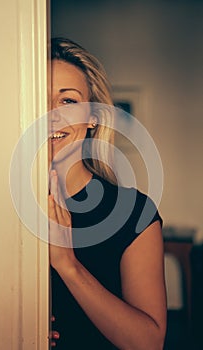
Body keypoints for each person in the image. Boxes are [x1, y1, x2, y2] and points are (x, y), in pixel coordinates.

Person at [48, 37, 166, 349]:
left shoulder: (134, 213)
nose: (50, 114)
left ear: (93, 118)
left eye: (67, 101)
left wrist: (67, 265)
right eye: (39, 99)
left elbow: (149, 343)